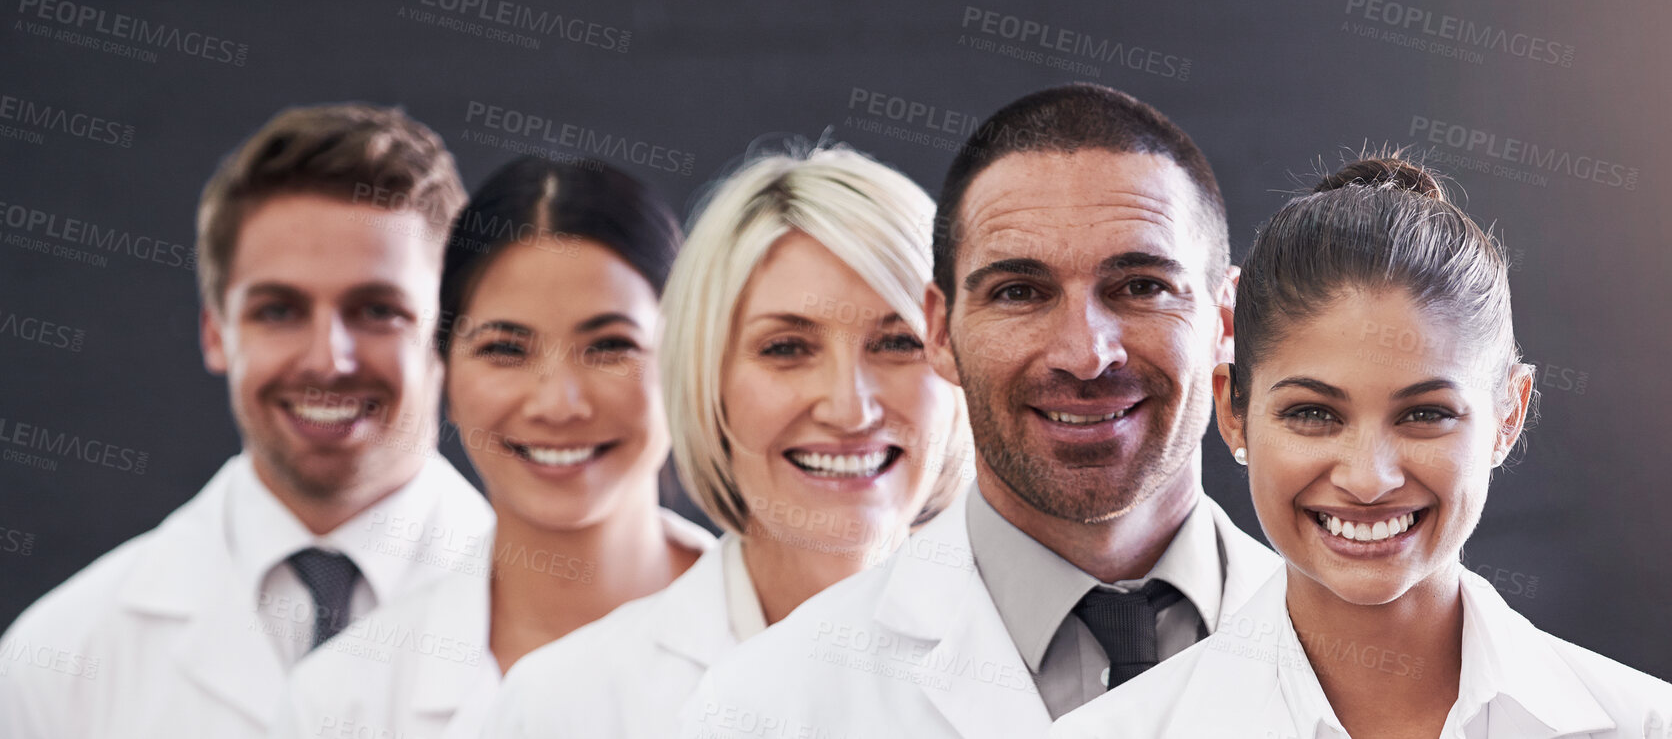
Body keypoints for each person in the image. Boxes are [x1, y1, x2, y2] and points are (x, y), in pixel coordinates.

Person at [679, 83, 1281, 738]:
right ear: (940, 332)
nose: (1085, 354)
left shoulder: (1370, 658)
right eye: (1020, 291)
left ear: (1227, 320)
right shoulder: (763, 708)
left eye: (1141, 286)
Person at [1050, 158, 1672, 738]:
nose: (1369, 479)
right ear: (1233, 412)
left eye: (1425, 414)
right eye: (1313, 414)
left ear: (1508, 415)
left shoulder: (1658, 731)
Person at [0, 104, 493, 738]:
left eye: (377, 309)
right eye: (279, 310)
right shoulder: (57, 660)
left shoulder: (569, 630)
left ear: (451, 331)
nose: (329, 361)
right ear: (215, 331)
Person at [483, 142, 975, 738]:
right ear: (707, 380)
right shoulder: (561, 708)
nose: (850, 409)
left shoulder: (1041, 661)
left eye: (898, 343)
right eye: (787, 349)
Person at [271, 156, 701, 737]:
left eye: (609, 347)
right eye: (506, 349)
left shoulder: (780, 642)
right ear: (443, 371)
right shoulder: (341, 701)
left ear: (685, 362)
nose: (557, 404)